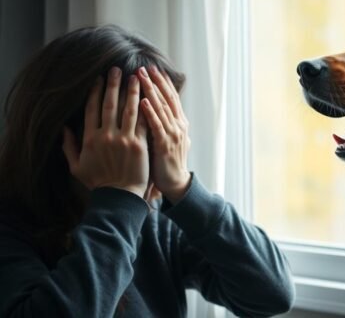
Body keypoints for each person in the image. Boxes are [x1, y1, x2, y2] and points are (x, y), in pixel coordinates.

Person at [0, 25, 294, 317]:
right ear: (67, 138)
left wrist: (182, 186)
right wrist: (117, 201)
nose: (153, 156)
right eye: (136, 137)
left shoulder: (156, 220)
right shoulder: (12, 230)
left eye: (164, 130)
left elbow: (271, 294)